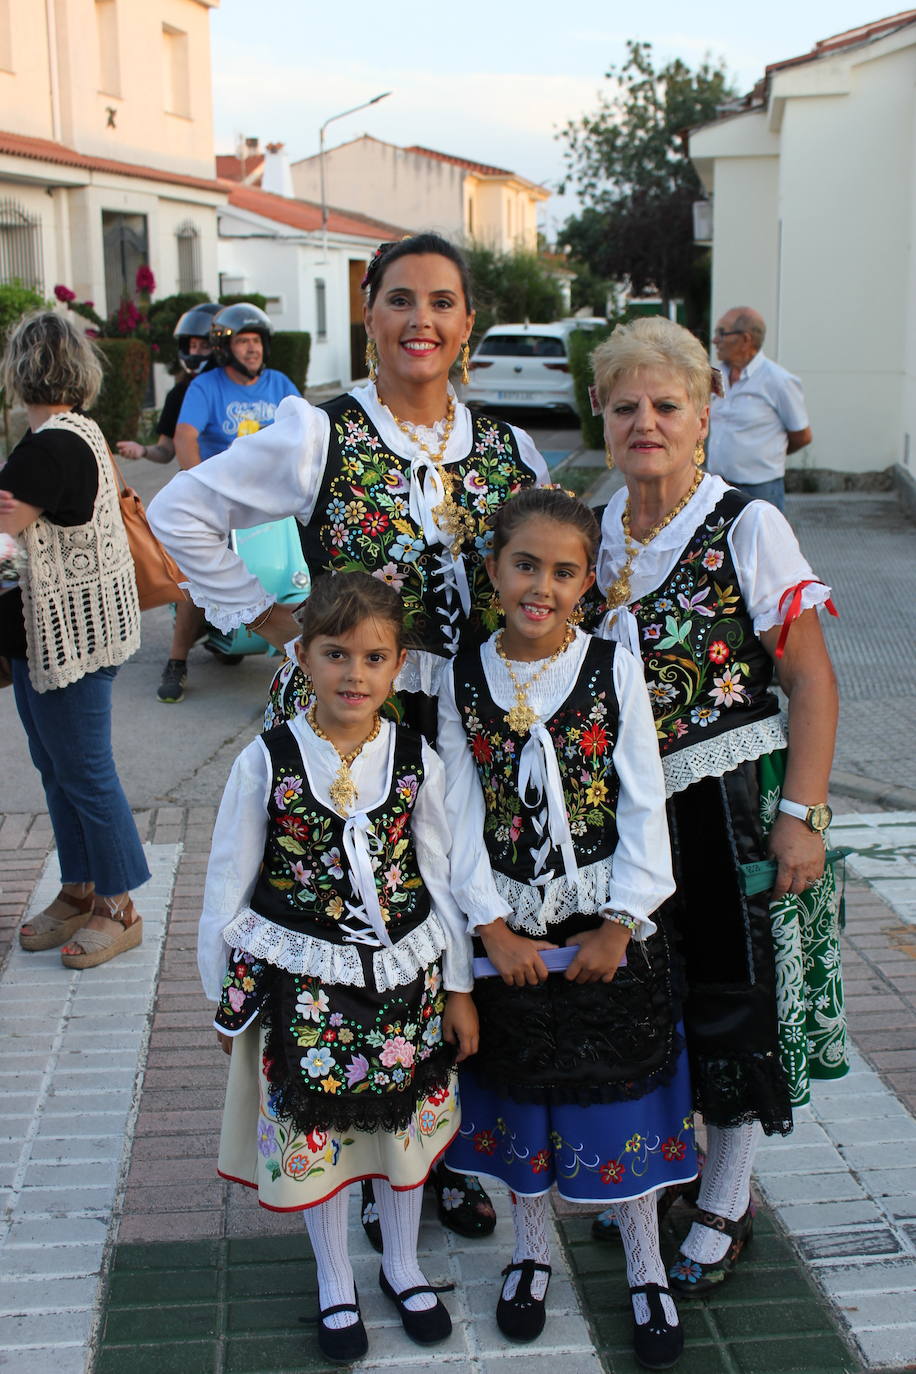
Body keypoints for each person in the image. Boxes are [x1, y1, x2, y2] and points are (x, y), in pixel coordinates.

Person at [149, 231, 550, 1236]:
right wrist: (283, 628)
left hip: (466, 725)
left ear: (467, 325)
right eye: (400, 300)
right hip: (350, 729)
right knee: (355, 932)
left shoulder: (509, 450)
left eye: (443, 303)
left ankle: (439, 1151)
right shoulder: (316, 432)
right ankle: (363, 1161)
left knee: (453, 921)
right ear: (368, 315)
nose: (422, 320)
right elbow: (184, 511)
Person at [591, 316, 844, 1297]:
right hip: (621, 815)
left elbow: (812, 681)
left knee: (729, 1005)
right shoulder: (595, 528)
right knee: (644, 1004)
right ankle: (665, 1168)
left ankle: (725, 1197)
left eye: (666, 405)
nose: (644, 422)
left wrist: (803, 815)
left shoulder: (748, 523)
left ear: (704, 416)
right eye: (625, 407)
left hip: (723, 802)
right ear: (602, 419)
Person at [438, 488, 695, 1370]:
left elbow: (643, 800)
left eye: (563, 571)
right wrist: (491, 928)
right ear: (493, 568)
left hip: (602, 927)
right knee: (527, 1099)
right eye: (524, 565)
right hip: (513, 928)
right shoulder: (461, 674)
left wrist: (623, 924)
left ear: (589, 582)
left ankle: (645, 1264)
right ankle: (530, 1251)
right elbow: (457, 813)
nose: (540, 585)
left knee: (614, 1093)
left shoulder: (612, 665)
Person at [198, 571, 477, 1363]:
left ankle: (402, 1263)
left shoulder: (417, 757)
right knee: (319, 1137)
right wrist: (224, 995)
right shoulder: (268, 758)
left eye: (374, 657)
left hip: (406, 983)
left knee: (402, 1140)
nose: (354, 674)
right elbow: (227, 878)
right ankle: (334, 1279)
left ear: (398, 668)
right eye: (336, 654)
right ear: (303, 657)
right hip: (303, 982)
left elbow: (442, 876)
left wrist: (458, 987)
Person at [0, 311, 150, 967]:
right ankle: (79, 887)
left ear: (17, 371)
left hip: (68, 646)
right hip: (48, 640)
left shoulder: (46, 449)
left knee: (84, 773)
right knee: (58, 768)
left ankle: (118, 906)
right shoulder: (75, 432)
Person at [156, 302, 300, 704]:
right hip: (223, 500)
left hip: (275, 501)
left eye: (257, 341)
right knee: (198, 580)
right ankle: (177, 659)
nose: (252, 349)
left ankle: (295, 665)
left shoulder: (280, 385)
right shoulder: (206, 387)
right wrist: (203, 490)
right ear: (225, 347)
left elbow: (306, 438)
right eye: (243, 341)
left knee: (299, 574)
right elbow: (185, 438)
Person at [707, 306, 812, 512]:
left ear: (746, 340)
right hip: (718, 486)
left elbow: (802, 436)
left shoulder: (778, 381)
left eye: (721, 333)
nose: (715, 340)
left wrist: (767, 454)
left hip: (760, 490)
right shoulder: (716, 376)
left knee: (759, 543)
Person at [115, 301, 220, 466]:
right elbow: (166, 450)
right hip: (201, 483)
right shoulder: (180, 393)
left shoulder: (247, 387)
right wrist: (143, 450)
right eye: (193, 346)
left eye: (205, 346)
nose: (196, 352)